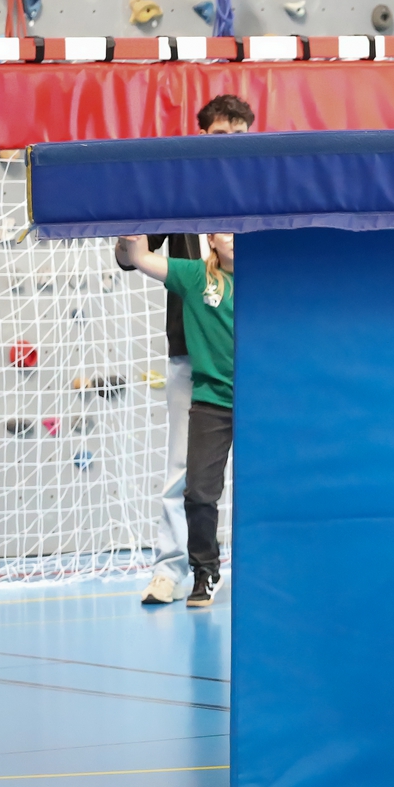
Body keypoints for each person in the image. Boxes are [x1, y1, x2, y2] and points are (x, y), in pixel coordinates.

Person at [117, 96, 254, 606]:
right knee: (184, 470)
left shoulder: (263, 192)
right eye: (220, 136)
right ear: (201, 138)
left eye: (241, 137)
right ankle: (171, 569)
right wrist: (123, 232)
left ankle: (253, 566)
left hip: (259, 357)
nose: (231, 148)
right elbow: (132, 255)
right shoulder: (178, 192)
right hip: (190, 354)